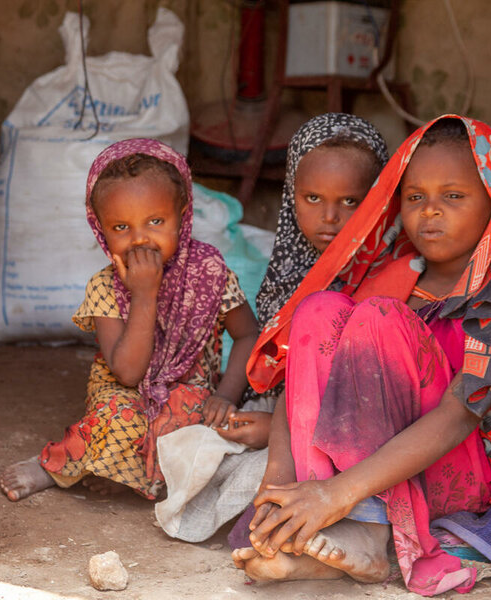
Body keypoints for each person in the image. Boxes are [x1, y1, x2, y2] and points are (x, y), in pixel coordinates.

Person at [232, 115, 491, 596]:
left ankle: (365, 525)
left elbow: (457, 418)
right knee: (318, 308)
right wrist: (279, 483)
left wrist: (339, 493)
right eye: (415, 196)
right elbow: (306, 372)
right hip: (362, 471)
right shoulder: (390, 272)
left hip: (458, 469)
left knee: (381, 317)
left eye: (454, 196)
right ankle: (310, 529)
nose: (430, 212)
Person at [154, 113, 389, 543]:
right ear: (290, 196)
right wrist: (252, 414)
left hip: (360, 423)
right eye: (312, 198)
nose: (330, 217)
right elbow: (278, 370)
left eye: (351, 202)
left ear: (378, 199)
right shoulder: (290, 270)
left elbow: (370, 386)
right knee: (193, 444)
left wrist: (272, 432)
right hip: (286, 412)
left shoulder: (393, 273)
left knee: (267, 472)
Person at [0, 138, 259, 502]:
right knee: (118, 417)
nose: (140, 239)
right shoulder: (105, 286)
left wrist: (226, 395)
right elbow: (128, 373)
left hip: (189, 392)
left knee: (195, 427)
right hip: (124, 394)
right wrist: (144, 294)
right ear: (100, 229)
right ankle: (53, 465)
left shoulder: (211, 274)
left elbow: (248, 335)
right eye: (121, 227)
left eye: (155, 221)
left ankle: (120, 474)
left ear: (182, 218)